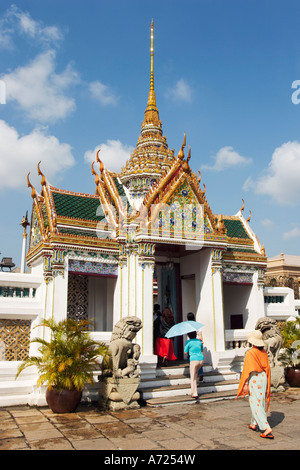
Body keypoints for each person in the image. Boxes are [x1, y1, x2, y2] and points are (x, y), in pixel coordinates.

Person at [236, 330, 273, 439]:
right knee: (259, 401)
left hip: (255, 378)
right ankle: (254, 423)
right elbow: (267, 367)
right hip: (263, 378)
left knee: (255, 402)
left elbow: (247, 370)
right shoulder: (264, 352)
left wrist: (245, 383)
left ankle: (266, 427)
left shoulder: (251, 353)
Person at [184, 331, 204, 398]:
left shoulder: (188, 342)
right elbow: (202, 350)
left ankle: (194, 393)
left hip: (194, 360)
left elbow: (185, 352)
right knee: (195, 374)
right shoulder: (199, 341)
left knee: (193, 377)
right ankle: (194, 392)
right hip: (201, 359)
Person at [187, 312, 204, 382]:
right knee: (199, 358)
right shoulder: (197, 325)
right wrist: (202, 341)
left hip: (190, 343)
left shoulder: (187, 325)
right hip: (197, 342)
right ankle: (200, 373)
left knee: (190, 358)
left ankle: (194, 372)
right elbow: (200, 334)